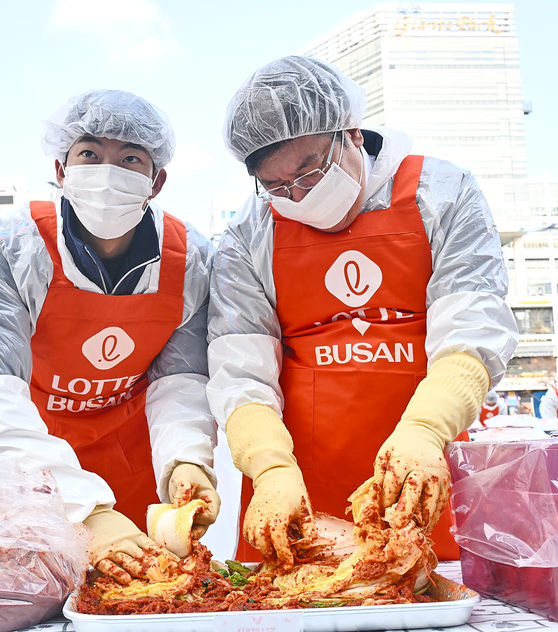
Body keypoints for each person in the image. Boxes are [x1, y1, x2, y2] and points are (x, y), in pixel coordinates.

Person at [210, 56, 519, 564]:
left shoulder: (441, 194)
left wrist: (425, 430)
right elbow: (238, 368)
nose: (298, 196)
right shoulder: (249, 232)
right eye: (278, 187)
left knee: (429, 588)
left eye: (308, 173)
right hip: (299, 487)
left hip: (422, 470)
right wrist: (268, 466)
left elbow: (473, 331)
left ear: (351, 133)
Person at [0, 89, 218, 584]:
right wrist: (83, 507)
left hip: (124, 470)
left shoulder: (191, 260)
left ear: (156, 182)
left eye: (130, 159)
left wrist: (185, 458)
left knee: (135, 593)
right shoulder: (11, 248)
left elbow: (181, 379)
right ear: (62, 168)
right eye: (90, 154)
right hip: (12, 461)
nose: (108, 172)